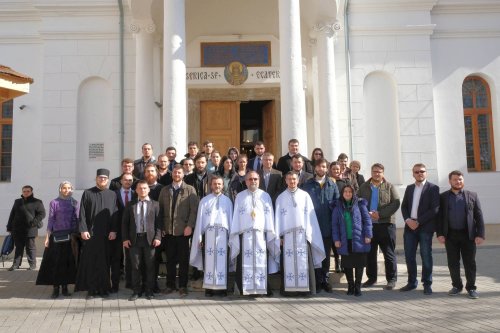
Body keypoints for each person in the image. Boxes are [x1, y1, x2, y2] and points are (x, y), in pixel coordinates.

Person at [229, 171, 279, 296]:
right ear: (245, 181)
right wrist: (235, 232)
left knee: (261, 261)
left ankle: (262, 288)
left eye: (255, 179)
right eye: (250, 179)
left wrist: (270, 232)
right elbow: (236, 217)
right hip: (245, 235)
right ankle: (243, 288)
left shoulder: (265, 196)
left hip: (260, 235)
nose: (253, 181)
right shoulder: (240, 196)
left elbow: (269, 215)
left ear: (259, 180)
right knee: (243, 262)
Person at [275, 172, 325, 295]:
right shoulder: (280, 198)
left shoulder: (305, 196)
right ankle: (289, 291)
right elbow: (278, 220)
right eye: (289, 179)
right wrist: (279, 236)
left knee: (305, 262)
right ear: (286, 181)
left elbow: (311, 216)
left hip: (303, 236)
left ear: (298, 181)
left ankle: (306, 290)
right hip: (287, 237)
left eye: (294, 179)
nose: (292, 182)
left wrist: (310, 234)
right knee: (288, 263)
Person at [437, 170, 485, 299]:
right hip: (450, 235)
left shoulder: (472, 195)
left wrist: (480, 234)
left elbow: (478, 216)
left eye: (460, 179)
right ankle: (457, 286)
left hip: (468, 235)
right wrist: (440, 234)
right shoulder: (443, 197)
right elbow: (439, 217)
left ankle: (471, 288)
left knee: (470, 262)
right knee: (453, 262)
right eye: (455, 180)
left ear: (463, 181)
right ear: (450, 181)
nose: (458, 182)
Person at [75, 168, 118, 299]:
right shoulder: (88, 193)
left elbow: (115, 214)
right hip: (91, 234)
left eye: (105, 178)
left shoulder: (112, 194)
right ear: (96, 178)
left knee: (105, 263)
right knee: (91, 262)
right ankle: (92, 289)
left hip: (106, 234)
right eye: (100, 178)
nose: (102, 180)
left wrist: (114, 230)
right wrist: (83, 229)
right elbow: (81, 213)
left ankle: (104, 288)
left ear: (108, 180)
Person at [358, 163, 400, 290]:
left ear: (383, 173)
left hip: (386, 224)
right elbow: (358, 202)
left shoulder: (390, 186)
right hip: (369, 226)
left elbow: (395, 204)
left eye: (379, 172)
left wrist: (380, 214)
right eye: (374, 171)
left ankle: (391, 279)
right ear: (371, 172)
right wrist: (367, 214)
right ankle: (372, 278)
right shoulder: (364, 187)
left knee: (389, 253)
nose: (377, 174)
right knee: (370, 254)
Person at [158, 164, 199, 297]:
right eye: (175, 172)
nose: (177, 175)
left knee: (183, 261)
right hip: (169, 232)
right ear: (172, 174)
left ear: (183, 174)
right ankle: (170, 285)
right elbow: (160, 210)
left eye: (179, 173)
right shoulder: (164, 190)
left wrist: (190, 226)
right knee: (170, 260)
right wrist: (162, 228)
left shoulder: (190, 189)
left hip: (183, 231)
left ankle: (182, 286)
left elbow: (194, 210)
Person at [190, 176, 233, 297]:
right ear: (211, 185)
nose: (217, 186)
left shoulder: (228, 201)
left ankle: (222, 289)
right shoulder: (204, 201)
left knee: (222, 262)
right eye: (215, 184)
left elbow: (230, 220)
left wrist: (231, 237)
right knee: (208, 262)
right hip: (208, 235)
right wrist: (199, 237)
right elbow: (200, 220)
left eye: (219, 184)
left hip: (223, 236)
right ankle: (209, 289)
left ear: (222, 185)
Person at [400, 163, 440, 295]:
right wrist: (407, 220)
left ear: (426, 173)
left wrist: (418, 221)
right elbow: (404, 206)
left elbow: (435, 209)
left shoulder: (433, 188)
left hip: (425, 227)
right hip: (409, 226)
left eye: (422, 171)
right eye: (416, 172)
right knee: (409, 256)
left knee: (426, 255)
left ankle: (427, 284)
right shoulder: (410, 188)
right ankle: (412, 282)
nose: (419, 174)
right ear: (413, 174)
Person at [303, 158, 340, 292]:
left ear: (327, 168)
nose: (321, 169)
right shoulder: (307, 185)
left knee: (325, 254)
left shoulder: (332, 184)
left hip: (327, 226)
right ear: (314, 168)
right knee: (314, 254)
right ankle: (316, 281)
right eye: (318, 167)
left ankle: (325, 280)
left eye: (323, 167)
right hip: (312, 227)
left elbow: (337, 205)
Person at [36, 181, 78, 298]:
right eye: (64, 188)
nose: (66, 190)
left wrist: (75, 235)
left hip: (70, 237)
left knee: (66, 263)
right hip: (56, 237)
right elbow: (51, 219)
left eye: (69, 188)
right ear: (60, 189)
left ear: (71, 189)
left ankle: (65, 288)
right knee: (56, 263)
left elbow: (76, 219)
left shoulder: (74, 203)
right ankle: (55, 288)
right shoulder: (54, 202)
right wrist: (47, 237)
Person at [122, 180, 162, 301]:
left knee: (150, 266)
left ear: (148, 189)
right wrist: (125, 238)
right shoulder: (130, 204)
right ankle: (136, 291)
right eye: (140, 188)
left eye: (145, 188)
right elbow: (124, 223)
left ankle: (149, 290)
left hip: (150, 240)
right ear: (137, 190)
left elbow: (159, 223)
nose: (142, 190)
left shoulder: (155, 204)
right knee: (136, 266)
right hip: (134, 240)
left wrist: (158, 237)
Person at [332, 185, 372, 296]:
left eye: (350, 191)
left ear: (353, 193)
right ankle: (350, 286)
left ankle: (358, 287)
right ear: (342, 193)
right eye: (345, 191)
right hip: (345, 241)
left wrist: (368, 235)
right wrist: (336, 239)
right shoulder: (337, 206)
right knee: (347, 264)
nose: (348, 193)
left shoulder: (360, 204)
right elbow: (335, 225)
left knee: (359, 264)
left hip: (359, 240)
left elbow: (367, 221)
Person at [7, 185, 46, 271]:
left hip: (30, 229)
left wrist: (34, 223)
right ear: (22, 192)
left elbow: (42, 214)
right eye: (24, 191)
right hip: (17, 229)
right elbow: (12, 214)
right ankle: (15, 265)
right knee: (18, 247)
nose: (26, 193)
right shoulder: (17, 202)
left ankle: (32, 265)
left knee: (30, 248)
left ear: (31, 192)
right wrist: (9, 227)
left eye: (28, 191)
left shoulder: (37, 202)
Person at [111, 173, 135, 292]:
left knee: (130, 258)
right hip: (116, 230)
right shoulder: (113, 194)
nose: (128, 182)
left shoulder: (136, 193)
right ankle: (114, 284)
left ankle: (129, 282)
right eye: (125, 180)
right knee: (116, 257)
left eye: (130, 180)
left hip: (131, 231)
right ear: (121, 181)